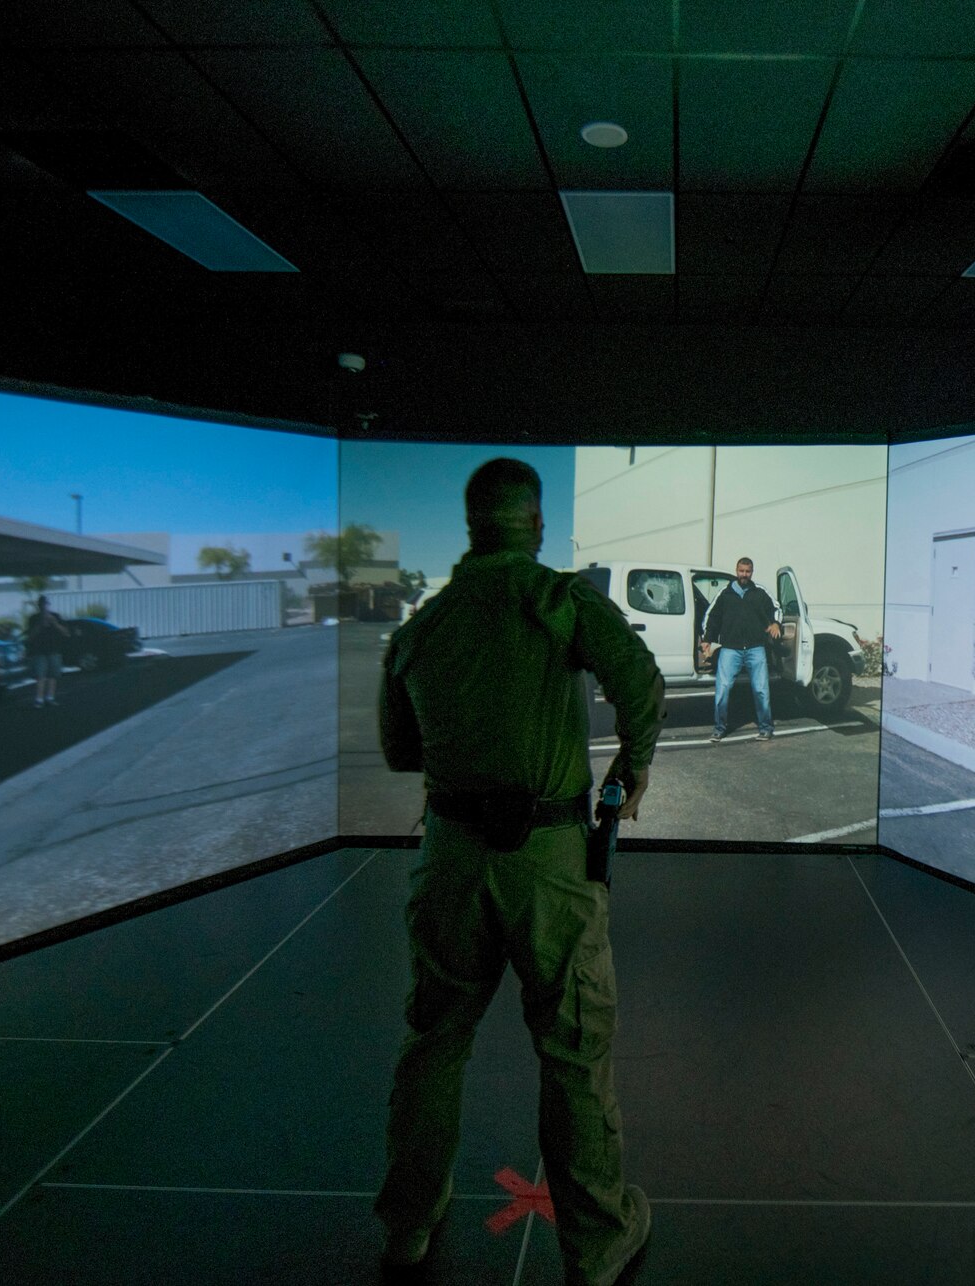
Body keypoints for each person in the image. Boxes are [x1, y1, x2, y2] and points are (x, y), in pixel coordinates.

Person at [375, 458, 664, 1285]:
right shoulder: (561, 600)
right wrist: (628, 772)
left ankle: (407, 1228)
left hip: (451, 859)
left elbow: (402, 752)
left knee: (434, 1043)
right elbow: (639, 684)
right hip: (549, 865)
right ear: (534, 524)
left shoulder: (420, 628)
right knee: (573, 1049)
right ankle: (600, 1242)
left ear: (472, 527)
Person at [702, 557, 783, 742]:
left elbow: (776, 608)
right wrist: (707, 639)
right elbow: (711, 616)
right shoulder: (725, 593)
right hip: (730, 649)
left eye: (748, 571)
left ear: (752, 572)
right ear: (736, 570)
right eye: (741, 571)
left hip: (756, 649)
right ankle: (719, 728)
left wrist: (776, 623)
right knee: (722, 689)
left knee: (761, 690)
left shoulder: (760, 592)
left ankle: (766, 728)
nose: (744, 575)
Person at [23, 595, 71, 708]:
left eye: (45, 604)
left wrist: (54, 623)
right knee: (40, 676)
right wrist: (40, 625)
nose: (44, 606)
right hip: (39, 652)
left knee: (53, 675)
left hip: (54, 650)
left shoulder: (56, 616)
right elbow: (30, 636)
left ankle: (50, 697)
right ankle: (39, 699)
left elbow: (66, 633)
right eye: (41, 604)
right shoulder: (33, 618)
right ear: (39, 606)